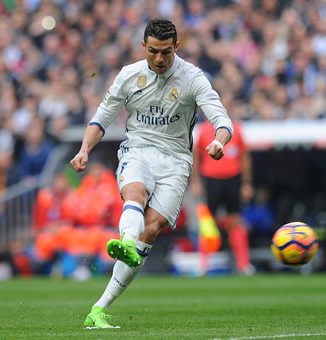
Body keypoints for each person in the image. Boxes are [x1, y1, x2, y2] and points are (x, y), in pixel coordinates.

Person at [70, 18, 233, 328]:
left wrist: (217, 140)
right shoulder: (129, 75)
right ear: (143, 47)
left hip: (176, 161)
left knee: (153, 227)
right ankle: (127, 241)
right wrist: (84, 150)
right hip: (138, 150)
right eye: (154, 52)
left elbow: (222, 119)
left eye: (167, 53)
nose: (160, 59)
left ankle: (99, 307)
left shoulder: (192, 78)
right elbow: (101, 118)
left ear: (177, 47)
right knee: (135, 192)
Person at [190, 117, 255, 275]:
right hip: (211, 178)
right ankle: (203, 265)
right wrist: (196, 181)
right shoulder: (204, 129)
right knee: (207, 222)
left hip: (233, 177)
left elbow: (245, 156)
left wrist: (246, 183)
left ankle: (243, 265)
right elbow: (196, 156)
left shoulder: (236, 128)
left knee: (235, 220)